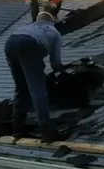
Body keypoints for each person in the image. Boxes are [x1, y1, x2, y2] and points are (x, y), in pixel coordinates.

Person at [4, 11, 66, 143]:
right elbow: (55, 64)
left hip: (10, 42)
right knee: (37, 89)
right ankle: (47, 131)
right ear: (52, 21)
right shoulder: (54, 32)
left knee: (21, 86)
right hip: (29, 44)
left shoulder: (28, 27)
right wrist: (63, 68)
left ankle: (18, 128)